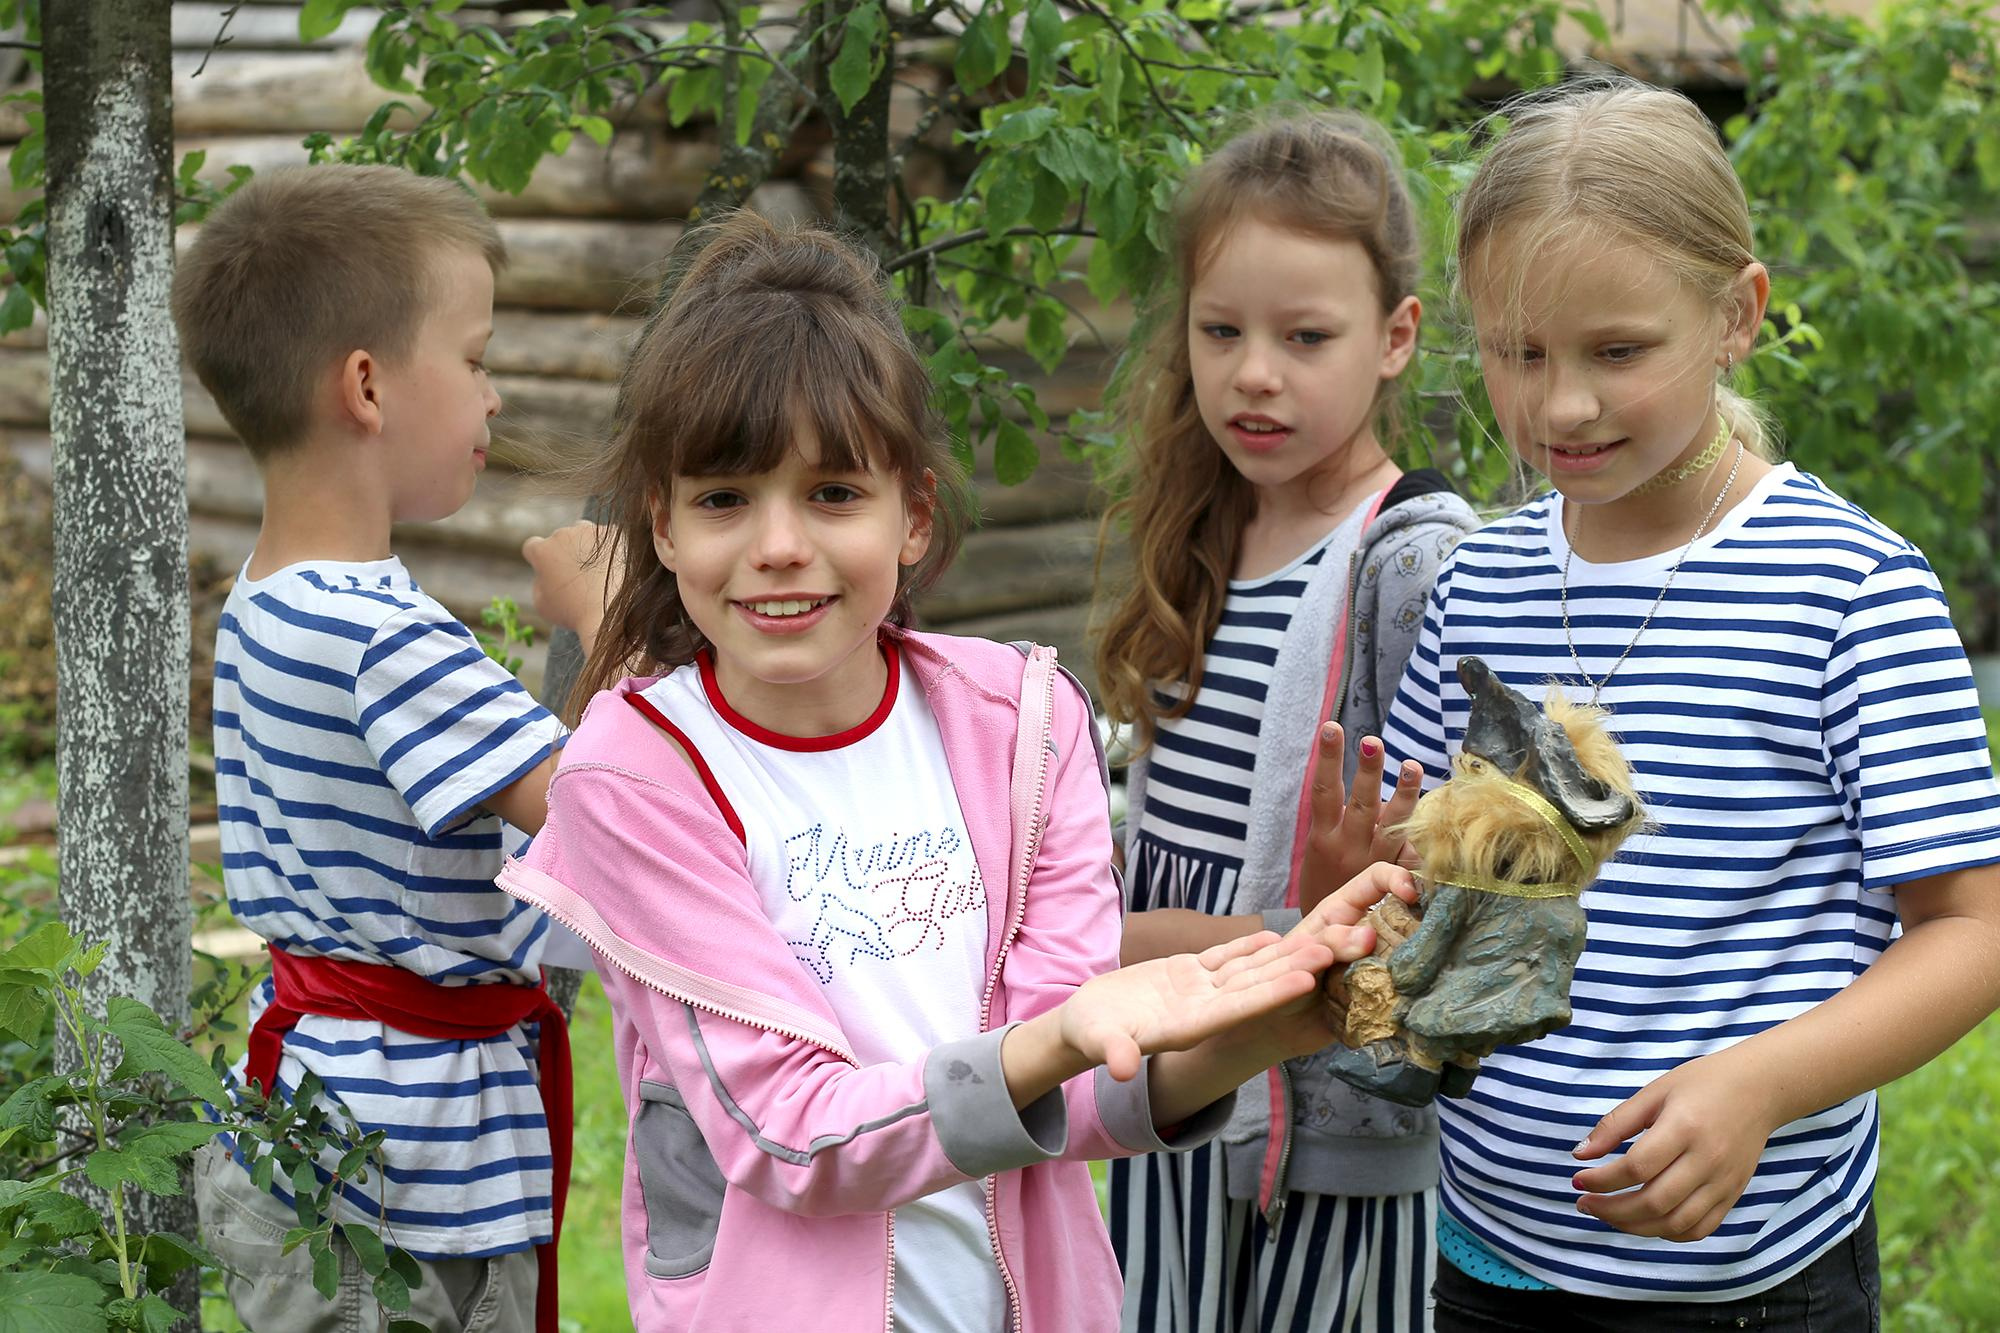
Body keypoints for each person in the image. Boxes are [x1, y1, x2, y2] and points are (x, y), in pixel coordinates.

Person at [493, 210, 1418, 1333]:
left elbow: (1077, 1079)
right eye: (725, 498)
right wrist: (1061, 1035)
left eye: (833, 493)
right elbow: (787, 1128)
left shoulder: (1019, 728)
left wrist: (1284, 1016)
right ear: (666, 527)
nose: (779, 543)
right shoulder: (636, 778)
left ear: (913, 514)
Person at [1373, 77, 2000, 1329]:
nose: (1559, 405)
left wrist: (1762, 1084)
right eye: (1516, 352)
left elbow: (1969, 928)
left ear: (1735, 316)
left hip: (1748, 1286)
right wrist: (1381, 878)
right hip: (1487, 1256)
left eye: (1616, 351)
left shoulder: (1845, 588)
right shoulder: (1476, 579)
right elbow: (1447, 876)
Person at [173, 164, 609, 1333]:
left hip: (320, 1120)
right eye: (473, 360)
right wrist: (608, 625)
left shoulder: (270, 599)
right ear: (365, 385)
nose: (495, 399)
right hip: (408, 1188)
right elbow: (612, 817)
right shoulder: (380, 640)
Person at [1093, 110, 1479, 1332]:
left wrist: (1178, 937)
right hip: (1170, 1085)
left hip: (1324, 1119)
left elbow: (1443, 892)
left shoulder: (1412, 561)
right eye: (1220, 331)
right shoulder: (1198, 534)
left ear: (1394, 339)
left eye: (1304, 336)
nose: (1253, 372)